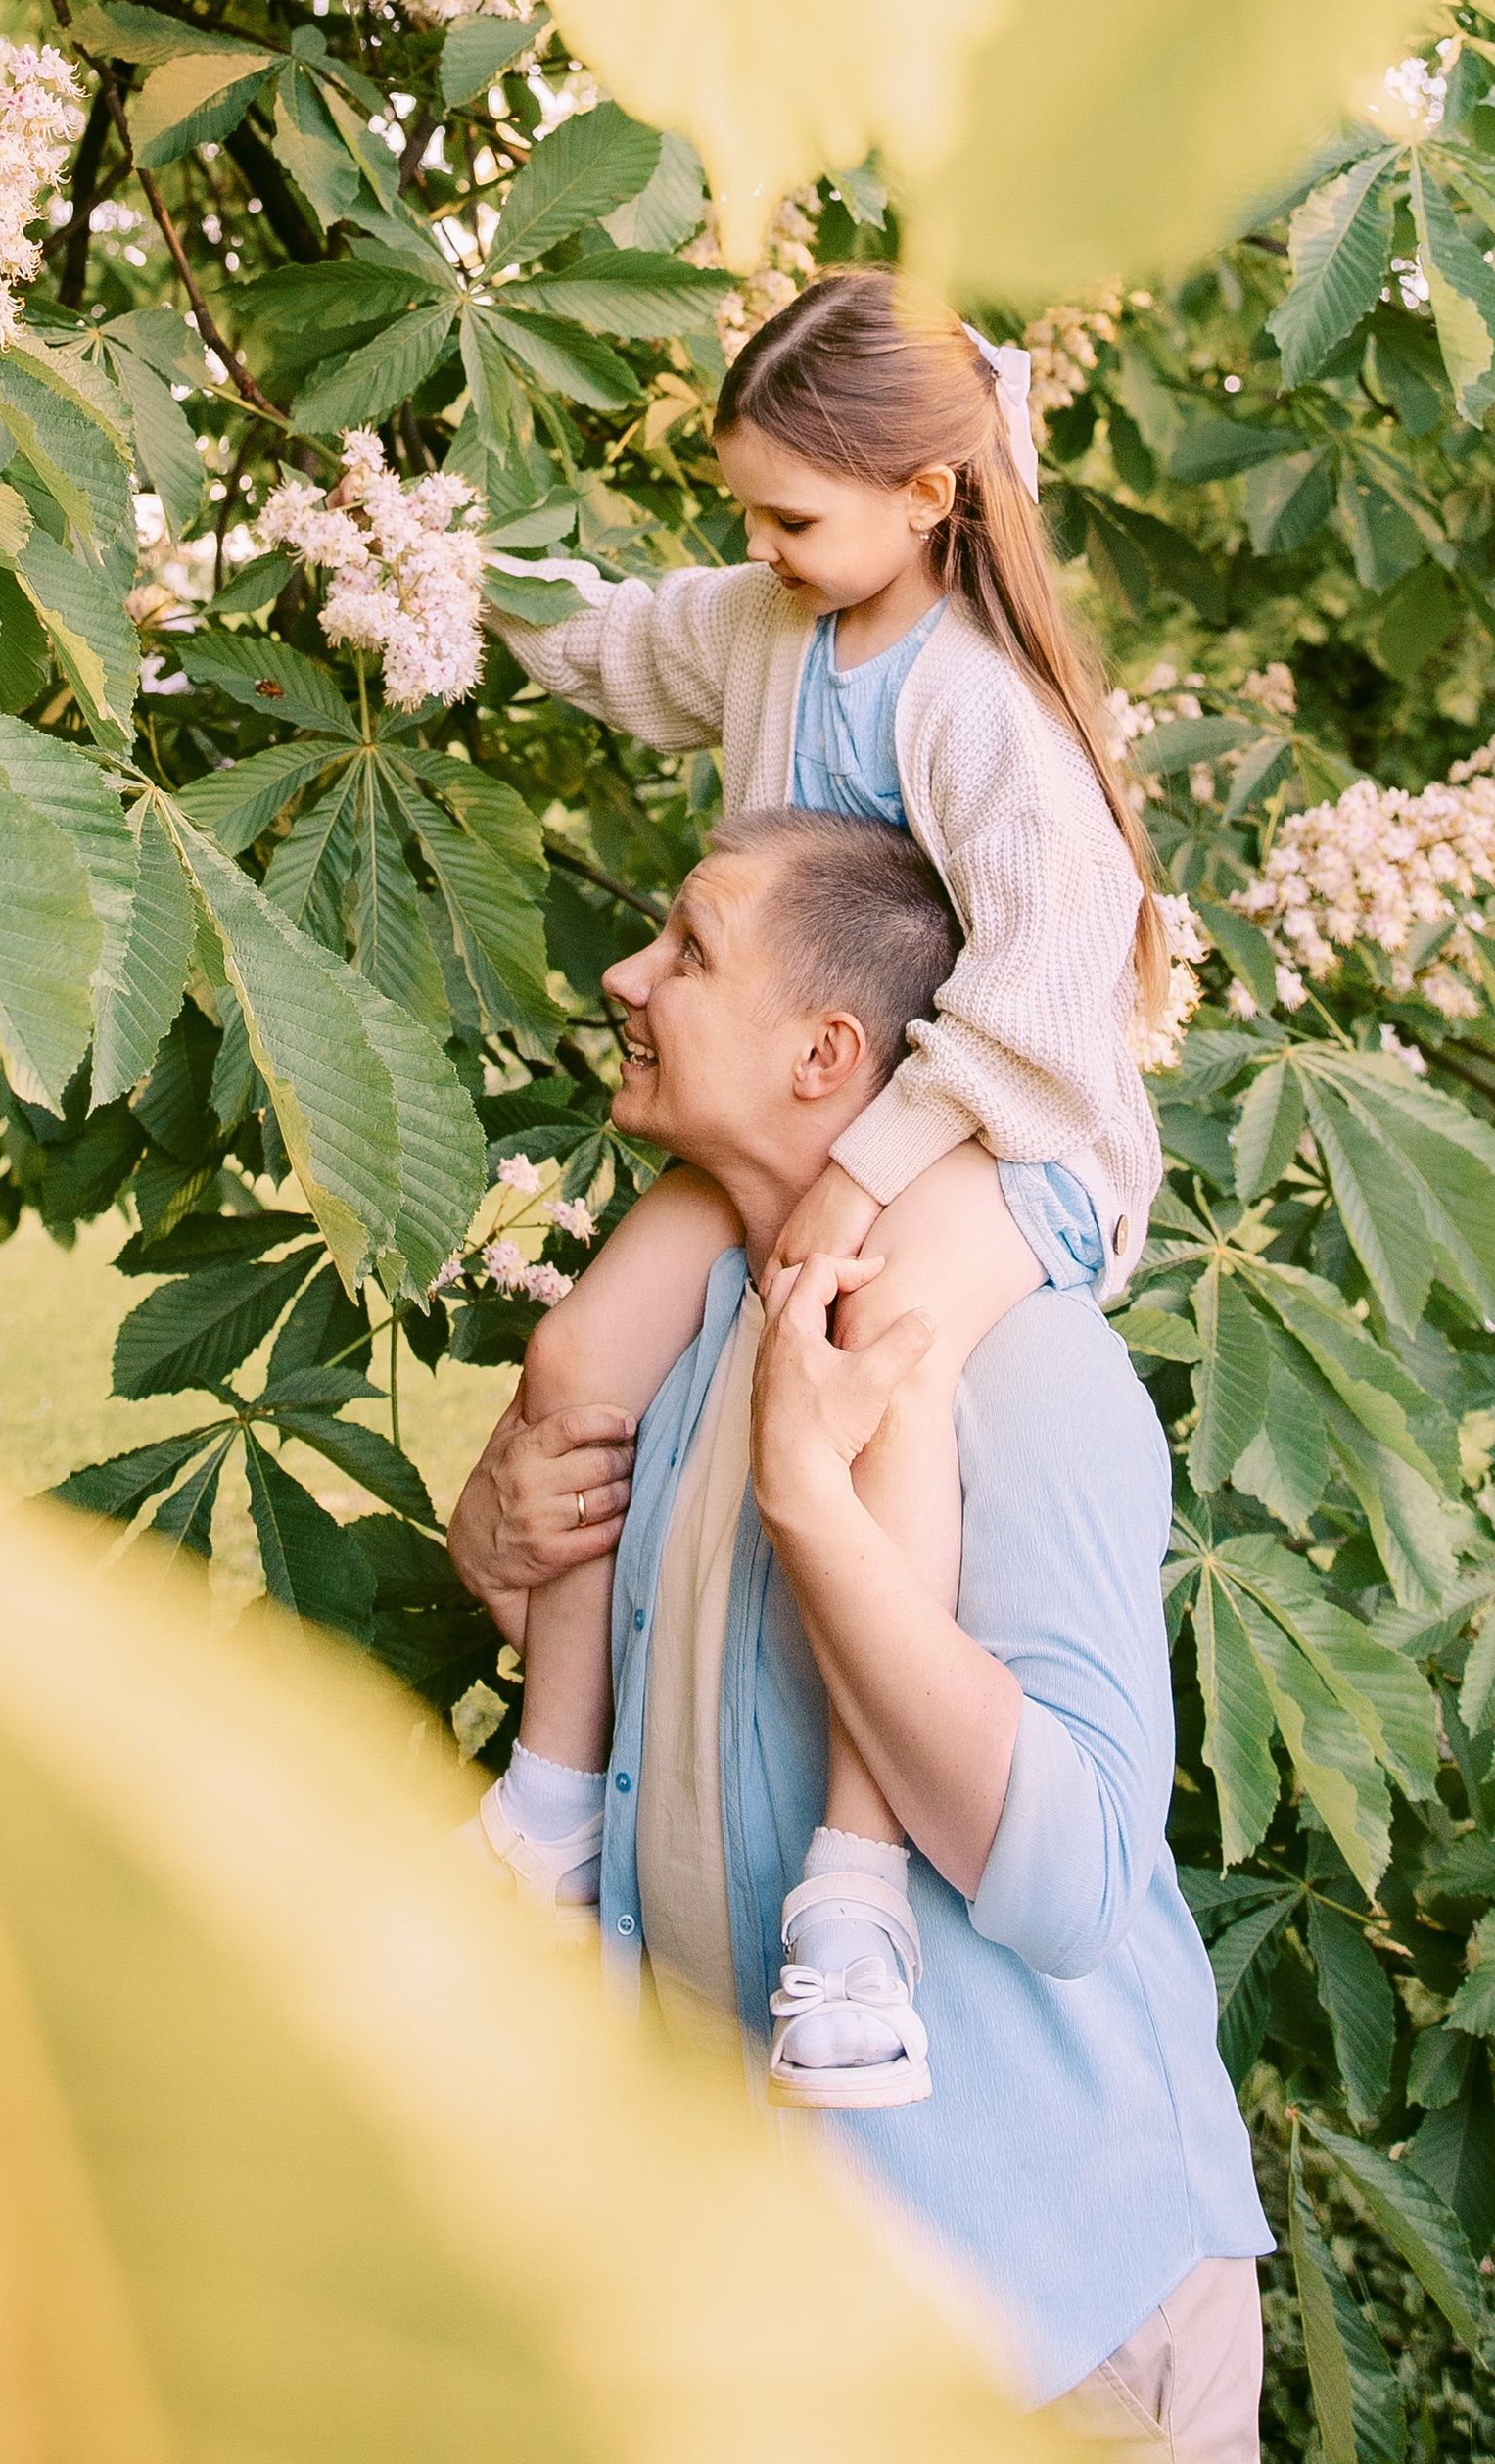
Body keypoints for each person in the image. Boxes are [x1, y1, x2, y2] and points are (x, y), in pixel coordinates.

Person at [449, 808, 1271, 2452]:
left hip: (1039, 2330)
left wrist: (819, 1509)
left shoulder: (1022, 1377)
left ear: (827, 1050)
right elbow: (642, 1702)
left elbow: (1074, 1877)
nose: (627, 974)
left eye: (686, 948)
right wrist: (494, 1537)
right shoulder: (693, 1333)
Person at [471, 265, 1167, 2108]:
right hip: (822, 1119)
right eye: (747, 511)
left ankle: (854, 1889)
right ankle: (549, 1805)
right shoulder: (778, 627)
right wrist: (439, 561)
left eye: (793, 514)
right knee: (590, 1349)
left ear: (928, 497)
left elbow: (1043, 1000)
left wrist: (858, 1184)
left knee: (879, 1365)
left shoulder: (982, 710)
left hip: (1006, 1135)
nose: (762, 546)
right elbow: (621, 641)